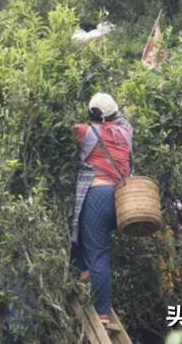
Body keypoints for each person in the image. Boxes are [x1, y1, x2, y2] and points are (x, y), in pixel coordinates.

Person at [71, 92, 133, 322]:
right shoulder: (126, 132)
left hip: (97, 195)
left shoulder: (86, 132)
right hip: (120, 199)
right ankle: (86, 271)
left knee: (98, 254)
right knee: (98, 249)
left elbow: (61, 131)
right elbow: (123, 119)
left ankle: (102, 311)